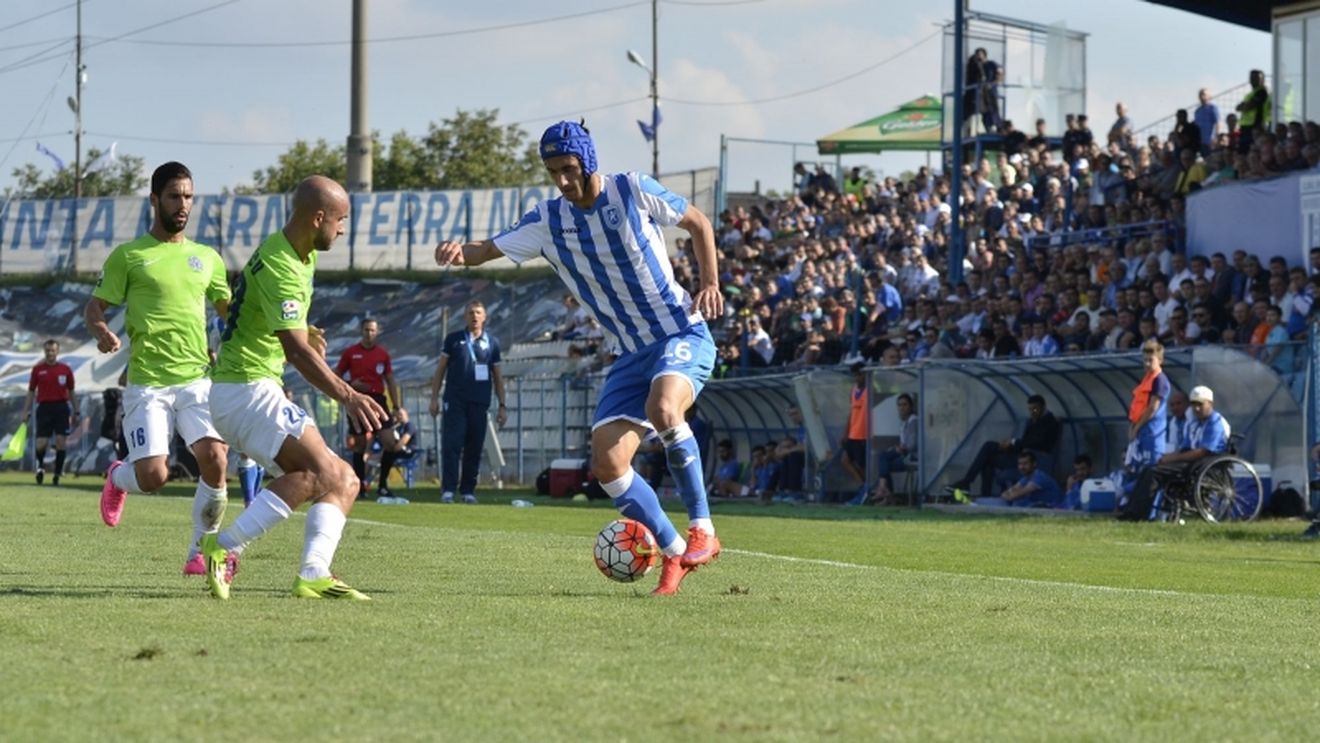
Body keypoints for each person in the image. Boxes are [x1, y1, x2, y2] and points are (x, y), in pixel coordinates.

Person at [433, 120, 724, 595]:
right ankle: (674, 553)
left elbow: (698, 223)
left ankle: (703, 532)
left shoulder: (631, 189)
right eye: (553, 172)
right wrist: (456, 252)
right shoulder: (549, 221)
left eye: (568, 168)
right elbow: (486, 250)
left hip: (679, 331)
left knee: (664, 408)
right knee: (607, 464)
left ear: (588, 160)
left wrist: (710, 284)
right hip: (630, 354)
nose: (563, 181)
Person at [196, 175, 388, 600]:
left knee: (343, 480)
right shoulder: (282, 266)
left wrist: (303, 337)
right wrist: (348, 394)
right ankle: (222, 547)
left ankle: (314, 572)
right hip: (245, 390)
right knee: (320, 472)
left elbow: (282, 333)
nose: (342, 229)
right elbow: (297, 354)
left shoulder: (300, 255)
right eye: (340, 220)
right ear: (318, 217)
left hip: (251, 386)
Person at [85, 161, 234, 579]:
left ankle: (200, 552)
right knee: (154, 476)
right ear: (154, 200)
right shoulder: (130, 257)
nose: (183, 204)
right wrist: (101, 332)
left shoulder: (207, 258)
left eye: (188, 196)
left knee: (216, 460)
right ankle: (119, 477)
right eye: (174, 196)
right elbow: (95, 307)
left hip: (196, 379)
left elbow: (231, 313)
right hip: (148, 382)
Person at [427, 300, 507, 504]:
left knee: (474, 447)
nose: (474, 316)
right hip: (455, 401)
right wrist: (434, 398)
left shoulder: (492, 343)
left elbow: (497, 376)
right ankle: (448, 490)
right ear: (465, 316)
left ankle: (468, 490)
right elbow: (440, 370)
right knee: (452, 444)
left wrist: (502, 405)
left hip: (480, 402)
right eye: (471, 312)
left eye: (478, 312)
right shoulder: (454, 339)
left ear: (485, 316)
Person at [1120, 386, 1228, 521]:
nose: (1196, 409)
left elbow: (1202, 452)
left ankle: (1137, 514)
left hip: (1203, 464)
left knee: (1154, 473)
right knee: (1149, 469)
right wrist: (1167, 458)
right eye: (1194, 405)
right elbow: (1185, 448)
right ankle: (1130, 510)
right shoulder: (1194, 423)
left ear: (1210, 404)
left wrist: (1173, 458)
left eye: (1200, 404)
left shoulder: (1215, 422)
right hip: (1191, 462)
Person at [943, 394, 1061, 501]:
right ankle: (982, 494)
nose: (1032, 412)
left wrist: (1014, 442)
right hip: (1021, 453)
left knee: (988, 449)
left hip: (1031, 458)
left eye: (1035, 409)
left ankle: (969, 485)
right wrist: (1009, 446)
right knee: (988, 453)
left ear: (1043, 407)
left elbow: (1038, 443)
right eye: (1030, 409)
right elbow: (1027, 442)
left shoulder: (1050, 422)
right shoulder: (1033, 421)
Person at [336, 318, 401, 499]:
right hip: (357, 401)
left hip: (378, 401)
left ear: (377, 331)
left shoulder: (382, 354)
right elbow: (336, 376)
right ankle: (360, 488)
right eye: (366, 330)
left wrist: (396, 406)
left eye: (372, 330)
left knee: (390, 442)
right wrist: (350, 385)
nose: (369, 333)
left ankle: (382, 485)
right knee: (360, 445)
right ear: (361, 331)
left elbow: (390, 380)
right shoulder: (351, 353)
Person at [18, 339, 77, 486]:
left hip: (61, 408)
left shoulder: (65, 369)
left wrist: (77, 411)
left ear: (57, 352)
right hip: (44, 408)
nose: (50, 353)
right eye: (47, 350)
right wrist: (25, 411)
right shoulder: (38, 370)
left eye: (53, 350)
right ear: (44, 352)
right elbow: (31, 391)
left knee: (60, 441)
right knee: (41, 443)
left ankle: (57, 474)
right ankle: (40, 466)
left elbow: (72, 391)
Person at [1121, 339, 1171, 505]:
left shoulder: (1160, 380)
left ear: (1160, 360)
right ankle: (1135, 506)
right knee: (1139, 471)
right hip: (1142, 432)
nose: (1147, 364)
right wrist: (1133, 426)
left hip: (1152, 433)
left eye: (1151, 360)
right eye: (1145, 360)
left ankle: (1152, 509)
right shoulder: (1146, 380)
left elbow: (1152, 408)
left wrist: (1138, 427)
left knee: (1152, 472)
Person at [853, 392, 916, 506]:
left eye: (905, 405)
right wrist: (897, 447)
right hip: (905, 455)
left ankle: (882, 490)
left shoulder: (913, 420)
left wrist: (901, 448)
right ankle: (887, 496)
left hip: (912, 457)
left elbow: (912, 444)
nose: (902, 408)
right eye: (899, 405)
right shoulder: (903, 423)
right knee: (885, 463)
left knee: (883, 457)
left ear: (911, 406)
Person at [974, 451, 1063, 507]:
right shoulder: (1026, 478)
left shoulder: (1039, 477)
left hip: (1048, 507)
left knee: (1014, 503)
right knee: (983, 502)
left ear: (1034, 464)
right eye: (1020, 464)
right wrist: (1010, 495)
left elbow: (1014, 495)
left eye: (1025, 464)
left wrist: (1011, 495)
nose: (1021, 467)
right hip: (1029, 505)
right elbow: (1008, 492)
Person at [837, 362, 870, 504]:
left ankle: (866, 490)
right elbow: (852, 412)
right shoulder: (854, 390)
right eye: (856, 375)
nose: (858, 377)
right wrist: (846, 432)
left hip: (864, 434)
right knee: (845, 461)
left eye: (860, 374)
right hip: (853, 433)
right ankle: (864, 487)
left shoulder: (871, 390)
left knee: (861, 465)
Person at [376, 406, 418, 501]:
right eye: (398, 415)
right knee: (386, 455)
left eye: (401, 414)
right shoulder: (398, 427)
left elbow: (403, 441)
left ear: (406, 414)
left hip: (408, 451)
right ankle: (381, 485)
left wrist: (394, 449)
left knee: (388, 455)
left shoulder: (409, 426)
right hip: (398, 450)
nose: (399, 416)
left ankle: (382, 485)